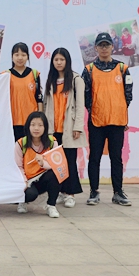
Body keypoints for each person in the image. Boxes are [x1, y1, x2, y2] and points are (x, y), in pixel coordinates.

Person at [82, 32, 133, 206]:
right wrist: (96, 109)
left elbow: (128, 95)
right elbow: (85, 95)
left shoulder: (122, 68)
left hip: (117, 122)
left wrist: (118, 111)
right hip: (96, 121)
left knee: (116, 158)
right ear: (96, 48)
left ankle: (118, 192)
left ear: (112, 47)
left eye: (107, 45)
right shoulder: (89, 70)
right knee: (94, 158)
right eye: (101, 45)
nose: (104, 48)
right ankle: (94, 192)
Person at [44, 47, 86, 208]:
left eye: (62, 59)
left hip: (69, 128)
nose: (59, 62)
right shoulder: (51, 80)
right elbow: (46, 105)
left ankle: (70, 194)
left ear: (67, 61)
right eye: (56, 59)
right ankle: (60, 192)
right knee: (56, 163)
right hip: (53, 129)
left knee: (70, 162)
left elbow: (80, 105)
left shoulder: (76, 80)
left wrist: (78, 127)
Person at [15, 112, 62, 218]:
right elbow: (18, 166)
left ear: (45, 127)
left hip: (43, 177)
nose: (36, 128)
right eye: (33, 125)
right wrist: (24, 181)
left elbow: (56, 164)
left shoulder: (52, 142)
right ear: (28, 126)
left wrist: (43, 163)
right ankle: (22, 201)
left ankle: (51, 205)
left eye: (40, 125)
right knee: (30, 194)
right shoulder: (21, 143)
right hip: (28, 180)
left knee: (56, 174)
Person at [3, 42, 43, 141]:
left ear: (28, 57)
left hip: (31, 121)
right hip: (12, 120)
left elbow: (39, 97)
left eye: (23, 55)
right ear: (12, 57)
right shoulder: (5, 75)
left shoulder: (34, 74)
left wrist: (40, 118)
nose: (20, 58)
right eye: (17, 55)